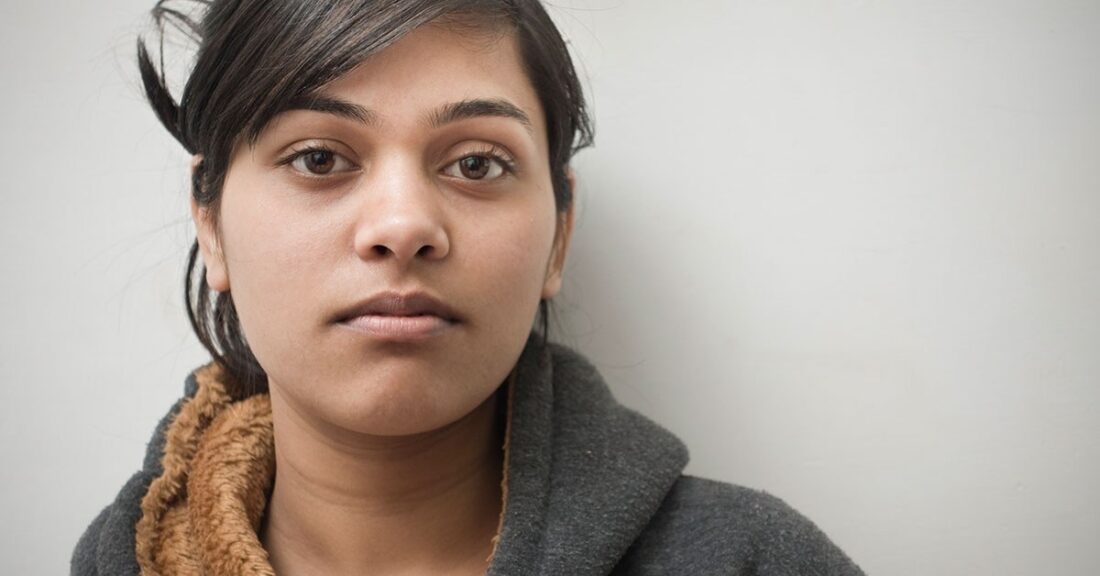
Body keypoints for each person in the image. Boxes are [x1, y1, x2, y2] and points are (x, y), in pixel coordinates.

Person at [72, 1, 866, 574]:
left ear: (558, 234)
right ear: (209, 221)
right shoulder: (117, 561)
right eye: (319, 158)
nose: (402, 225)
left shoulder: (758, 561)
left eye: (477, 163)